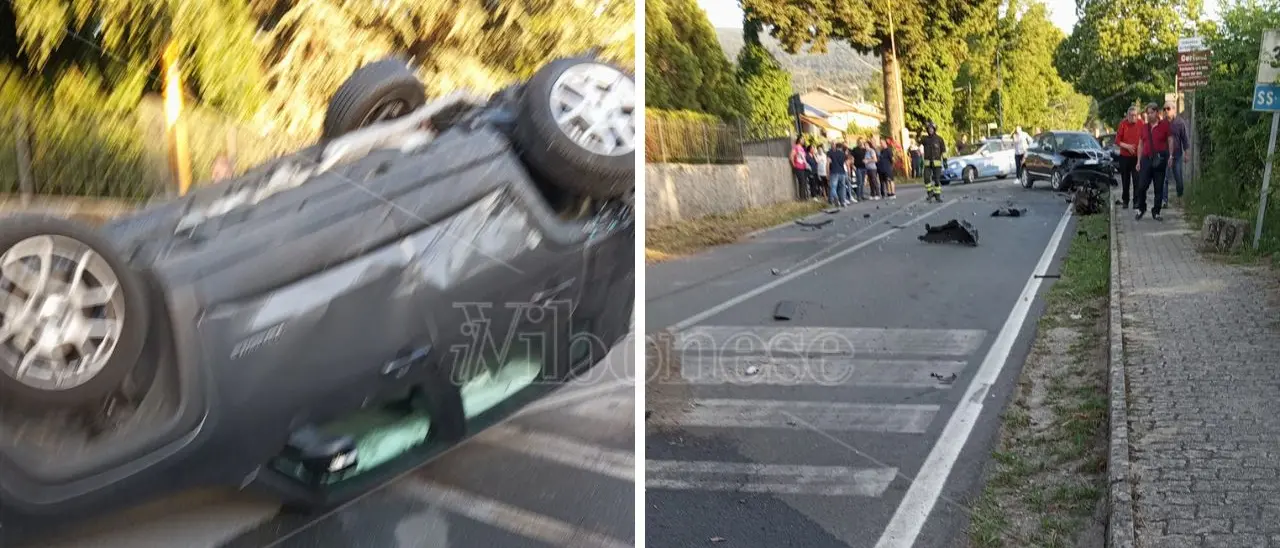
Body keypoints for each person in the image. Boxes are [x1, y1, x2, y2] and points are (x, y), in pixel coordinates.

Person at [1135, 102, 1171, 221]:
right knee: (1141, 186)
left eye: (1151, 112)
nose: (1149, 115)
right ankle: (1141, 208)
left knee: (1158, 187)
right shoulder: (1144, 127)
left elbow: (1170, 140)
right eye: (1148, 113)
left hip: (1160, 159)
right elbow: (1140, 144)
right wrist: (1138, 161)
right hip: (1146, 159)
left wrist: (1171, 156)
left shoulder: (1164, 126)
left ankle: (1156, 211)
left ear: (1157, 113)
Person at [1114, 106, 1142, 209]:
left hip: (1136, 157)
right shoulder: (1123, 124)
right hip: (1124, 157)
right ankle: (1125, 200)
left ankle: (1136, 201)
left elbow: (1143, 140)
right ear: (1127, 116)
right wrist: (1128, 146)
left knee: (1137, 180)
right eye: (1131, 115)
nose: (1133, 117)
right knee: (1125, 181)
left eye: (1135, 115)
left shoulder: (1141, 124)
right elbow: (1117, 141)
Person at [1166, 101, 1190, 201]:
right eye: (1164, 109)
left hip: (1177, 154)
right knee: (1164, 179)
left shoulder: (1180, 123)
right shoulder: (1162, 123)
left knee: (1178, 178)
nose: (1166, 111)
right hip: (1164, 154)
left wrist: (1186, 154)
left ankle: (1180, 196)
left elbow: (1185, 139)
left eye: (1168, 109)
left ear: (1173, 110)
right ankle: (1164, 200)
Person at [920, 121, 946, 202]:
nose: (930, 130)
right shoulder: (925, 139)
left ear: (934, 129)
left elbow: (943, 150)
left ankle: (937, 195)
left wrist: (945, 161)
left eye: (932, 129)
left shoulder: (939, 139)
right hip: (927, 163)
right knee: (926, 179)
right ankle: (930, 193)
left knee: (937, 180)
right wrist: (918, 133)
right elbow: (918, 141)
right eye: (929, 129)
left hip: (937, 163)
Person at [827, 142, 854, 206]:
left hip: (834, 172)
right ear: (841, 148)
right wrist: (849, 174)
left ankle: (835, 197)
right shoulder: (844, 155)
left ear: (836, 147)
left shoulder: (831, 153)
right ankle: (843, 202)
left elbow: (828, 163)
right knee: (842, 188)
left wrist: (827, 173)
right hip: (842, 173)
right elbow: (847, 164)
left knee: (833, 187)